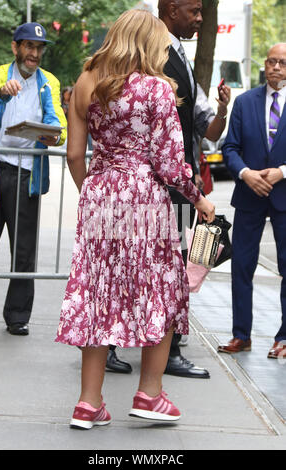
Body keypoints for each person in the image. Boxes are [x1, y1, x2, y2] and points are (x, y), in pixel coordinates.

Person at [55, 9, 215, 429]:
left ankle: (88, 403)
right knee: (158, 291)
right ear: (148, 42)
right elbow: (170, 164)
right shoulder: (158, 89)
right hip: (145, 199)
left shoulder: (87, 81)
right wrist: (199, 200)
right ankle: (150, 394)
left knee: (97, 293)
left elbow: (74, 155)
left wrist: (93, 192)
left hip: (100, 194)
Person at [107, 0, 231, 378]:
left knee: (175, 264)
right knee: (139, 263)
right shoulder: (149, 52)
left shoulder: (180, 56)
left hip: (177, 184)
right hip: (156, 184)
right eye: (194, 11)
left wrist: (222, 111)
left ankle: (167, 346)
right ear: (171, 8)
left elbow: (203, 126)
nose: (200, 19)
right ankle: (123, 344)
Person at [0, 22, 67, 336]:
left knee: (24, 251)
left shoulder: (50, 82)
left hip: (26, 175)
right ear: (15, 47)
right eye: (28, 47)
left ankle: (17, 316)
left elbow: (59, 127)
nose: (34, 54)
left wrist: (53, 137)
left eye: (38, 48)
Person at [218, 43, 286, 359]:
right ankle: (241, 335)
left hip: (284, 195)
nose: (275, 67)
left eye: (282, 63)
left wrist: (281, 172)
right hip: (248, 196)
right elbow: (230, 147)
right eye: (271, 61)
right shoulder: (245, 103)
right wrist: (246, 174)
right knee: (242, 267)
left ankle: (284, 338)